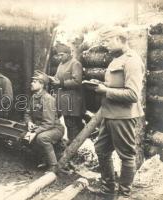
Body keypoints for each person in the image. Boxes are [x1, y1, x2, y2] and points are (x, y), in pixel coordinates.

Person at [93, 26, 145, 197]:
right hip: (109, 114)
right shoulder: (117, 58)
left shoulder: (132, 60)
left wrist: (105, 91)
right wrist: (101, 85)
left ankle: (124, 194)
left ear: (118, 38)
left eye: (107, 40)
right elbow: (117, 85)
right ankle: (108, 189)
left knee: (126, 156)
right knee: (101, 149)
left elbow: (132, 94)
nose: (105, 44)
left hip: (123, 115)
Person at [24, 70, 64, 172]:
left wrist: (35, 132)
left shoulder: (48, 99)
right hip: (42, 127)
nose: (31, 83)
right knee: (23, 135)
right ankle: (43, 159)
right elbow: (27, 113)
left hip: (55, 128)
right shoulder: (34, 97)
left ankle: (53, 165)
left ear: (41, 84)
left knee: (42, 138)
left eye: (34, 81)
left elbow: (49, 122)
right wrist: (29, 123)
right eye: (32, 81)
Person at [49, 43, 85, 143]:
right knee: (55, 118)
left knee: (70, 123)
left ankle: (73, 145)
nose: (60, 57)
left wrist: (60, 83)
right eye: (58, 55)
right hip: (62, 97)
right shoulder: (61, 64)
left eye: (62, 54)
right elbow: (57, 76)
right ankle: (58, 140)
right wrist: (53, 79)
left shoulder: (75, 63)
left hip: (72, 98)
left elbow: (77, 81)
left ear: (69, 54)